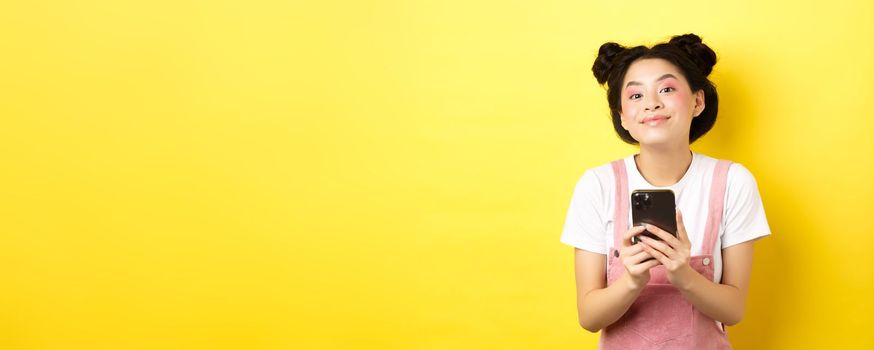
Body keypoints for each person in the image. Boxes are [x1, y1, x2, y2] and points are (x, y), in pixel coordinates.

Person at [559, 33, 771, 349]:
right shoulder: (598, 185)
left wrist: (682, 274)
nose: (652, 103)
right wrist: (632, 280)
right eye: (635, 96)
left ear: (698, 101)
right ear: (622, 117)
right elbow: (589, 317)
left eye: (667, 89)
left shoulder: (732, 182)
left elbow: (733, 309)